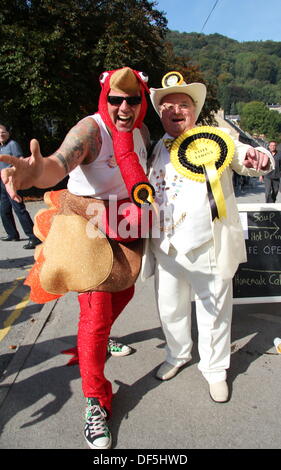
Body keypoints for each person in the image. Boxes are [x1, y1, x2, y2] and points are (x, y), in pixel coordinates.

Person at [0, 67, 155, 449]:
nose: (123, 107)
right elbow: (59, 162)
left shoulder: (142, 131)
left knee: (125, 293)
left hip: (127, 223)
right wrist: (36, 172)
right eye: (115, 99)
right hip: (87, 222)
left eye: (132, 100)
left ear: (142, 102)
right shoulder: (90, 129)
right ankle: (96, 401)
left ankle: (100, 342)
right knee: (95, 315)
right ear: (105, 98)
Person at [142, 71, 274, 404]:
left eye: (183, 104)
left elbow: (250, 159)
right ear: (160, 113)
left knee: (214, 313)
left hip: (209, 248)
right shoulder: (157, 146)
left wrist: (258, 157)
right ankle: (177, 354)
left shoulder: (217, 136)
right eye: (167, 104)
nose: (175, 109)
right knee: (170, 309)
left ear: (195, 110)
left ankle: (215, 370)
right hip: (166, 246)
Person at [0, 124, 41, 249]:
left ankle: (34, 237)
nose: (1, 135)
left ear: (8, 133)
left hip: (13, 182)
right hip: (2, 183)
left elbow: (20, 162)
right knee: (4, 210)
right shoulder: (1, 147)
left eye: (3, 132)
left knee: (19, 209)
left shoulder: (13, 144)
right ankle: (12, 234)